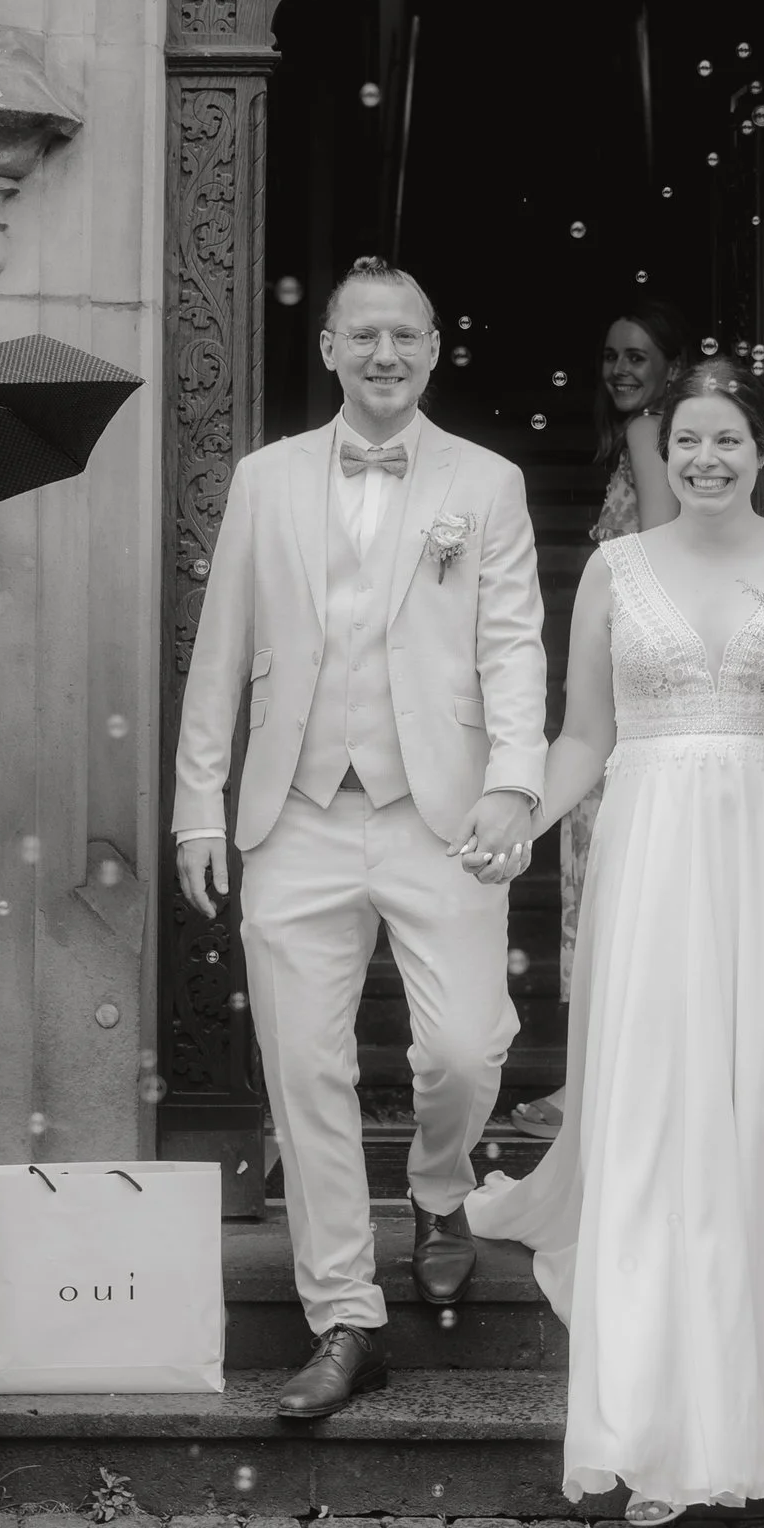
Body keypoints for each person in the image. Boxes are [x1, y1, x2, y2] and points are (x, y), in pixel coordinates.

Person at [468, 363, 764, 1524]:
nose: (705, 460)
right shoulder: (615, 569)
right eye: (686, 441)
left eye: (727, 440)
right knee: (662, 1125)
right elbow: (583, 737)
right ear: (661, 453)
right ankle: (660, 1434)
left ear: (762, 451)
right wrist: (519, 815)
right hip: (654, 859)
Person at [174, 256, 548, 1423]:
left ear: (434, 350)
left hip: (440, 811)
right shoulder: (265, 480)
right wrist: (198, 802)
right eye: (364, 335)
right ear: (330, 348)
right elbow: (220, 650)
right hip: (294, 813)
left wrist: (514, 785)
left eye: (406, 335)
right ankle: (345, 1316)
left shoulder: (487, 483)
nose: (385, 353)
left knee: (465, 1050)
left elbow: (511, 645)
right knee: (304, 1070)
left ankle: (439, 1185)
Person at [555, 303, 689, 1002]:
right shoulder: (649, 434)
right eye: (611, 356)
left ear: (672, 366)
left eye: (637, 356)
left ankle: (605, 1025)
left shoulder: (647, 431)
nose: (619, 370)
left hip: (628, 674)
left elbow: (659, 552)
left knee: (609, 843)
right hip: (629, 662)